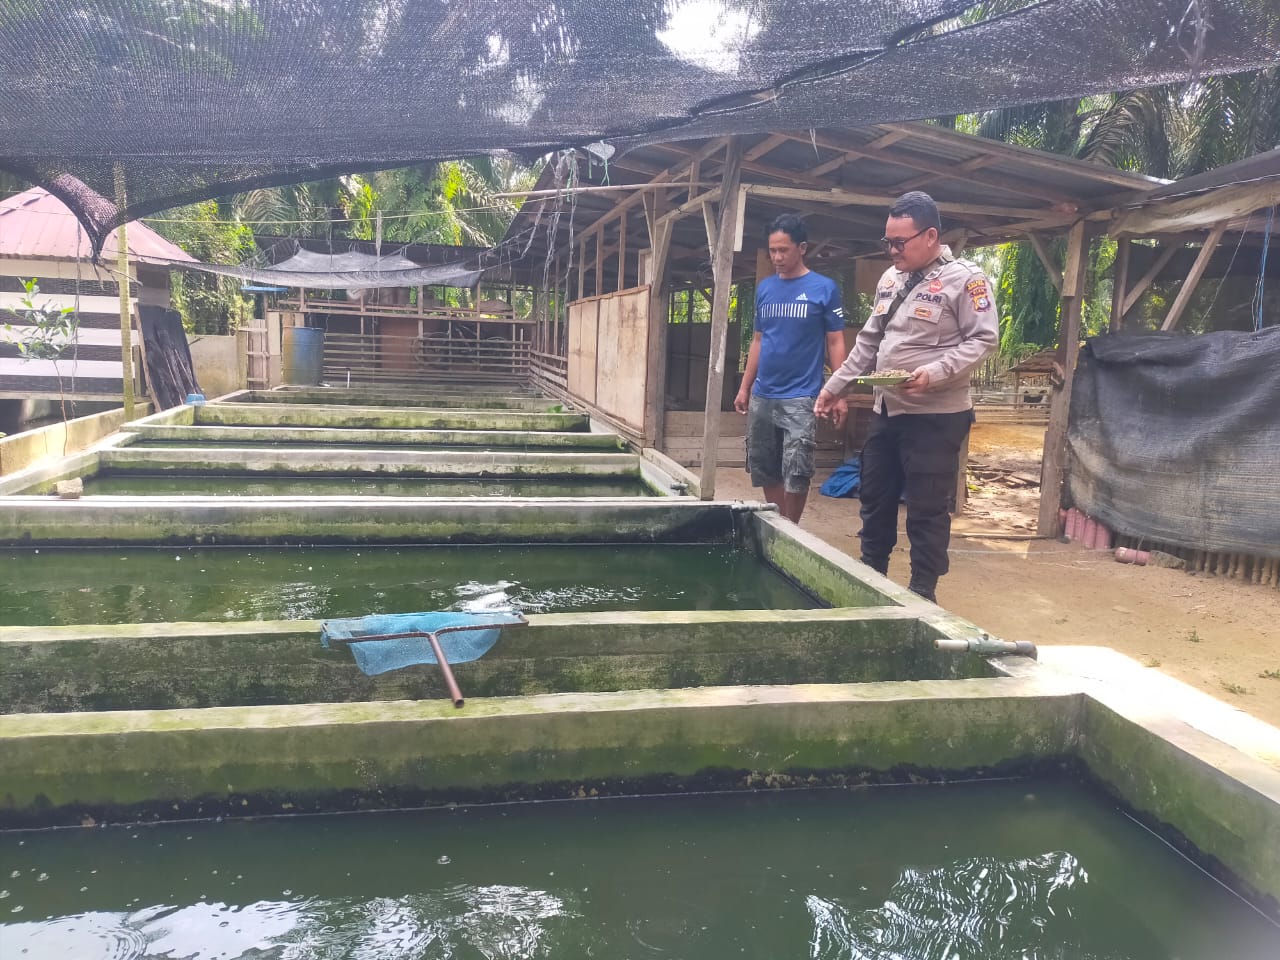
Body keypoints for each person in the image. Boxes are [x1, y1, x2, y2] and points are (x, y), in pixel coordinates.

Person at [815, 192, 997, 602]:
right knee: (875, 497)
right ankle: (871, 578)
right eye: (887, 242)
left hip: (936, 416)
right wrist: (834, 387)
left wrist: (933, 374)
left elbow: (984, 340)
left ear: (931, 235)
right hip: (888, 410)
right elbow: (867, 343)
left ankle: (921, 592)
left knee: (926, 507)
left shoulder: (966, 280)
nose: (892, 250)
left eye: (900, 242)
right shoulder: (890, 279)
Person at [735, 214, 848, 523]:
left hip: (801, 395)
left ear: (802, 248)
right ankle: (778, 521)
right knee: (764, 464)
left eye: (783, 250)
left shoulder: (824, 289)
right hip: (763, 394)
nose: (777, 257)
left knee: (797, 468)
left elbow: (836, 342)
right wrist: (746, 386)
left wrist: (838, 392)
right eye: (772, 250)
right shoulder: (765, 289)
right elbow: (758, 340)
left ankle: (791, 529)